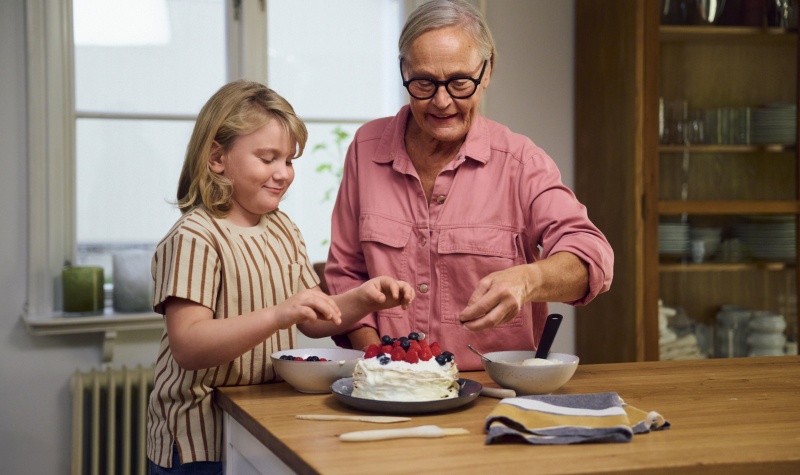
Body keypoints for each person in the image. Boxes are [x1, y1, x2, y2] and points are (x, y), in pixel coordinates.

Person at [324, 0, 613, 371]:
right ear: (403, 70)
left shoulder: (521, 162)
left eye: (460, 82)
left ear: (487, 69)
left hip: (491, 391)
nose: (442, 102)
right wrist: (381, 362)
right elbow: (345, 273)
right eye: (424, 82)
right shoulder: (366, 149)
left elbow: (593, 257)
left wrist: (529, 278)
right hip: (388, 386)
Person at [146, 80, 414, 474]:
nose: (283, 173)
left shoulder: (282, 228)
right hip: (198, 440)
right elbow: (188, 346)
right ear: (217, 158)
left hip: (261, 421)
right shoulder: (194, 236)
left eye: (288, 160)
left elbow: (312, 315)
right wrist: (278, 314)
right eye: (267, 158)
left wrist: (363, 298)